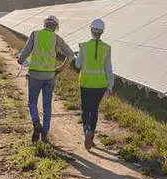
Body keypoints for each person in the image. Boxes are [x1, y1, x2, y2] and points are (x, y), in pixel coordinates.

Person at [17, 14, 73, 143]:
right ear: (55, 27)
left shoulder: (35, 34)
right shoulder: (57, 39)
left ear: (44, 24)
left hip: (35, 75)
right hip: (50, 76)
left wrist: (20, 60)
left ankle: (36, 123)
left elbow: (26, 51)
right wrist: (61, 68)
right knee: (47, 105)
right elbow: (70, 55)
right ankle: (45, 134)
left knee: (32, 103)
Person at [73, 18, 113, 151]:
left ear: (91, 30)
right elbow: (109, 69)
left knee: (86, 109)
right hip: (101, 84)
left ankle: (87, 131)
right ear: (102, 32)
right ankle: (92, 138)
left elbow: (78, 64)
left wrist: (78, 55)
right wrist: (110, 86)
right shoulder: (107, 48)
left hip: (86, 82)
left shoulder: (83, 46)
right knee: (94, 110)